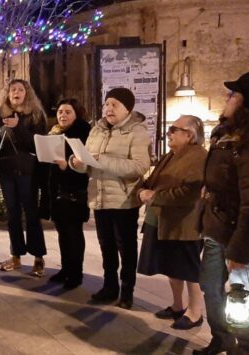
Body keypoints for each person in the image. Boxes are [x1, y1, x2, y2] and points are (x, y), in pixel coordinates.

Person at [195, 71, 249, 355]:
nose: (226, 98)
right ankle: (221, 339)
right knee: (210, 286)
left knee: (242, 296)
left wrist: (240, 251)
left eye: (233, 95)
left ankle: (244, 350)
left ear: (247, 104)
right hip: (217, 227)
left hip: (243, 234)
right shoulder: (226, 136)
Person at [70, 87, 150, 309]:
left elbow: (140, 166)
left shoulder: (137, 131)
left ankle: (127, 290)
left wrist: (101, 160)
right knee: (106, 245)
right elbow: (88, 161)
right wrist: (77, 163)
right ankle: (109, 285)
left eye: (114, 104)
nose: (108, 108)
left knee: (126, 246)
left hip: (124, 200)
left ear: (127, 109)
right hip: (100, 196)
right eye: (107, 104)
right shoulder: (97, 130)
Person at [136, 115, 207, 330]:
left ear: (190, 135)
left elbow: (190, 192)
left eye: (174, 129)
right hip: (163, 220)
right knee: (171, 267)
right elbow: (155, 181)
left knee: (188, 270)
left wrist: (154, 196)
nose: (169, 133)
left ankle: (195, 313)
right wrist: (142, 188)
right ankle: (178, 306)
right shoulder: (173, 154)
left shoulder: (198, 156)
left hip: (184, 224)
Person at [0, 79, 48, 276]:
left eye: (20, 90)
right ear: (7, 94)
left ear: (27, 93)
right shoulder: (0, 114)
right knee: (12, 214)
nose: (16, 92)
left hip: (28, 171)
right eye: (12, 90)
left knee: (31, 213)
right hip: (6, 170)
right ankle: (16, 255)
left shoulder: (36, 115)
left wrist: (18, 127)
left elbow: (37, 144)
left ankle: (38, 257)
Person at [40, 98, 91, 289]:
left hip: (75, 191)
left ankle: (76, 274)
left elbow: (86, 164)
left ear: (76, 114)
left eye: (68, 112)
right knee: (62, 232)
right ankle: (66, 269)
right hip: (57, 190)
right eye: (60, 111)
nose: (62, 115)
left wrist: (66, 166)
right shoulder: (55, 132)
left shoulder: (82, 133)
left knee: (73, 233)